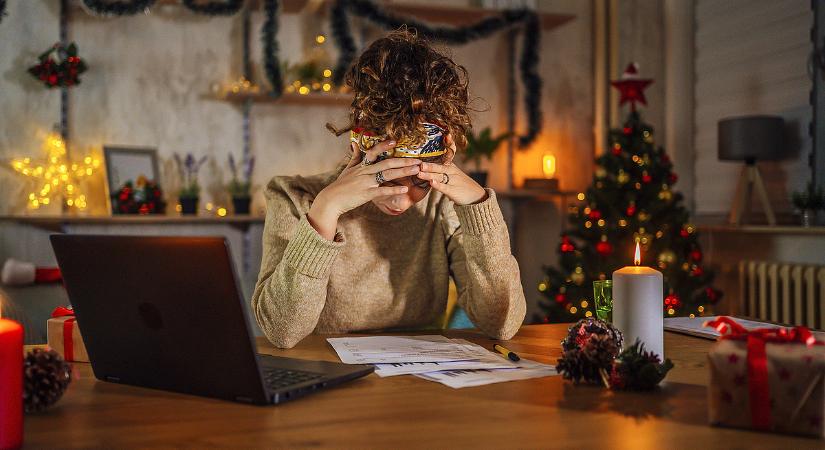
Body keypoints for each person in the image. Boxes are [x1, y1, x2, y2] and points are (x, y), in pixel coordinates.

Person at [252, 29, 526, 349]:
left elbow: (502, 323)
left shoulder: (443, 206)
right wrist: (325, 210)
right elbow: (282, 331)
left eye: (419, 182)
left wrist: (480, 205)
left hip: (420, 385)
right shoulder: (293, 197)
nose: (400, 198)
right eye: (386, 179)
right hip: (327, 383)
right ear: (358, 146)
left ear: (446, 154)